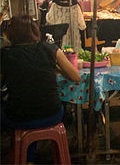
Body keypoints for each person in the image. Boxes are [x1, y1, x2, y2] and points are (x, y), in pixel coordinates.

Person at [0, 15, 81, 162]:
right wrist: (55, 66)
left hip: (17, 117)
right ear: (35, 31)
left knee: (18, 107)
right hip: (52, 114)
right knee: (43, 102)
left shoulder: (5, 54)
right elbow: (75, 77)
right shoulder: (50, 49)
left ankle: (22, 157)